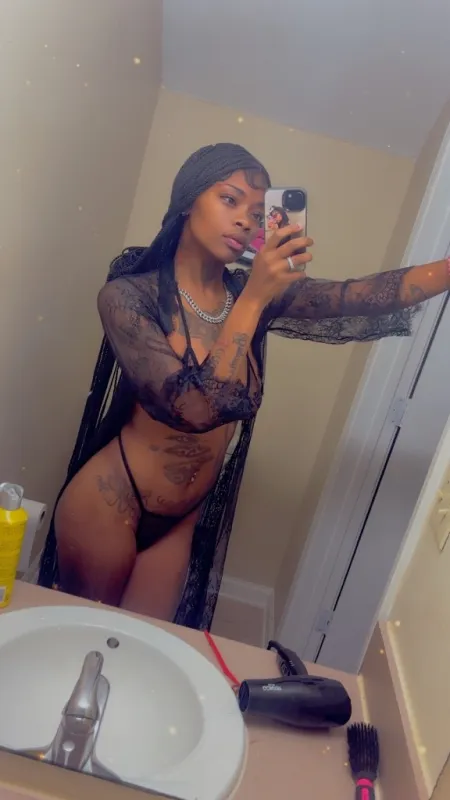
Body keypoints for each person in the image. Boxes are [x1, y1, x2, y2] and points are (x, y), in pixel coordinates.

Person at [38, 142, 450, 630]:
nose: (245, 221)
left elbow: (357, 296)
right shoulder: (128, 297)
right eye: (229, 199)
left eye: (257, 213)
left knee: (142, 644)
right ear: (188, 200)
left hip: (180, 519)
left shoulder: (247, 293)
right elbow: (194, 409)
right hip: (110, 500)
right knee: (83, 638)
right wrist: (254, 297)